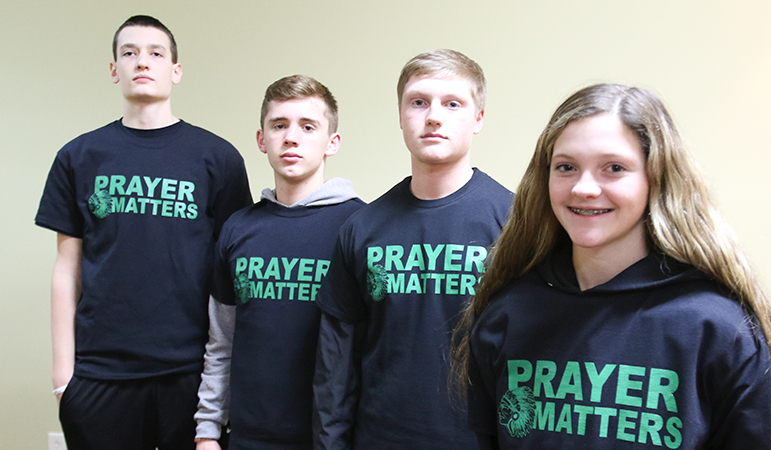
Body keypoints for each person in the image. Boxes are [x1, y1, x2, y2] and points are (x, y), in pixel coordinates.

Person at [452, 83, 771, 449]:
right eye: (566, 167)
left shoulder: (714, 328)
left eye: (614, 168)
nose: (584, 188)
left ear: (656, 178)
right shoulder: (508, 315)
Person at [35, 15, 252, 450]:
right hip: (100, 372)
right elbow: (66, 270)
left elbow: (232, 277)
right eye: (129, 53)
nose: (142, 62)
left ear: (176, 71)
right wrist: (64, 380)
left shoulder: (217, 157)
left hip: (190, 371)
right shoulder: (79, 157)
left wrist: (227, 374)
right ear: (114, 69)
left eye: (156, 53)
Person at [313, 49, 514, 449]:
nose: (434, 116)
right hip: (378, 438)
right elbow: (336, 362)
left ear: (478, 119)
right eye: (419, 102)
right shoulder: (362, 227)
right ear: (401, 116)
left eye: (452, 104)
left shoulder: (513, 222)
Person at [193, 75, 365, 450]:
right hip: (249, 436)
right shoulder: (238, 229)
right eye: (279, 125)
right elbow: (222, 340)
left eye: (308, 126)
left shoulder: (360, 227)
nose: (291, 137)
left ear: (331, 142)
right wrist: (207, 430)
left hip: (332, 439)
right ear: (261, 139)